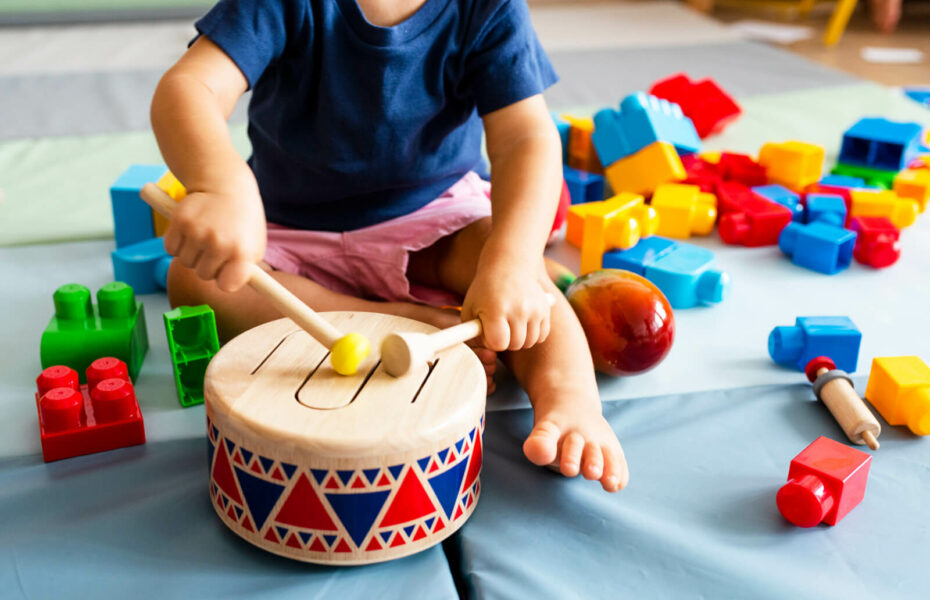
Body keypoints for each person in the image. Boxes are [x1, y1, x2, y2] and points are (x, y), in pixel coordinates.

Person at [151, 0, 628, 492]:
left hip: (432, 215)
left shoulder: (488, 7)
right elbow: (190, 87)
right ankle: (404, 322)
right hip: (288, 227)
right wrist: (222, 187)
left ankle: (568, 402)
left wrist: (511, 262)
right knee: (195, 279)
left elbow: (525, 138)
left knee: (519, 269)